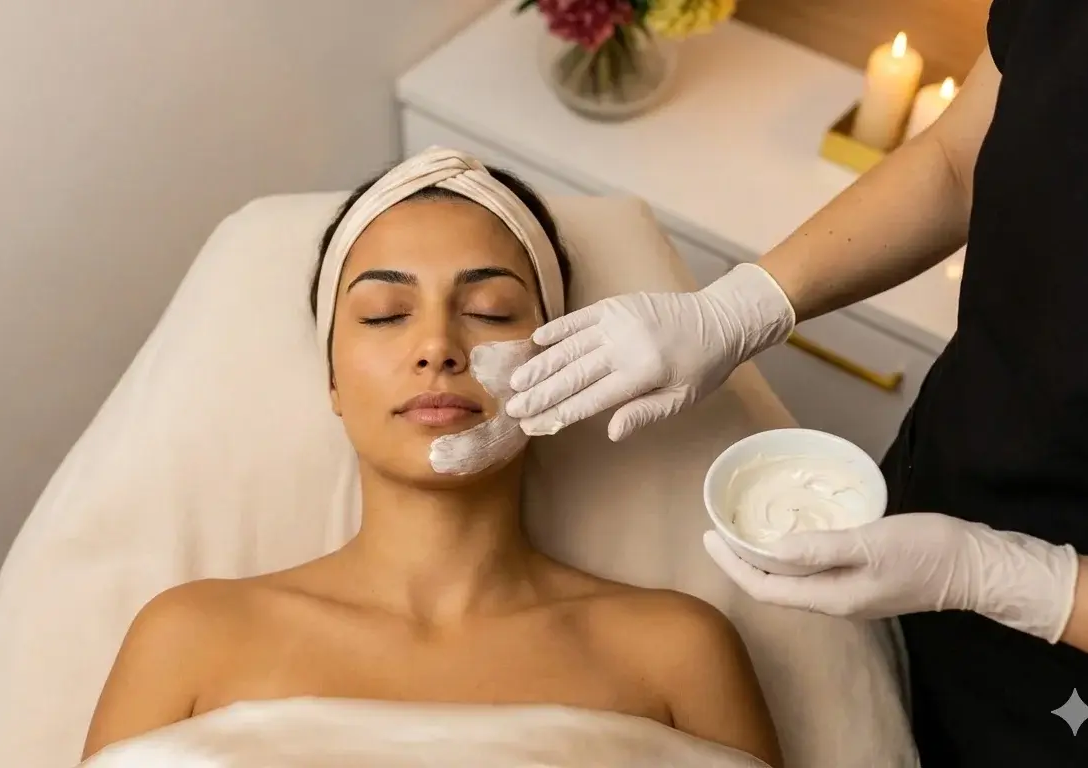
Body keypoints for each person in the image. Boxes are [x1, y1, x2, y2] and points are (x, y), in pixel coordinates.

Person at [504, 2, 1088, 765]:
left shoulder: (676, 644)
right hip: (939, 492)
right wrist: (747, 305)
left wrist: (1010, 578)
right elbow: (960, 160)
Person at [79, 154, 784, 767]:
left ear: (559, 365)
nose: (437, 346)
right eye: (386, 313)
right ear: (331, 380)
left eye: (491, 310)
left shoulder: (676, 651)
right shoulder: (190, 636)